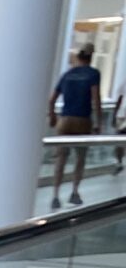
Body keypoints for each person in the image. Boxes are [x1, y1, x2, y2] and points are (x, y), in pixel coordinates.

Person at [51, 44, 102, 209]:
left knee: (60, 159)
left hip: (64, 120)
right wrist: (98, 122)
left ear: (78, 57)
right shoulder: (93, 74)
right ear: (90, 58)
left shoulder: (67, 74)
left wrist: (52, 116)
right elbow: (96, 98)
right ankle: (74, 192)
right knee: (80, 159)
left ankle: (55, 195)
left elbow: (52, 99)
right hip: (82, 120)